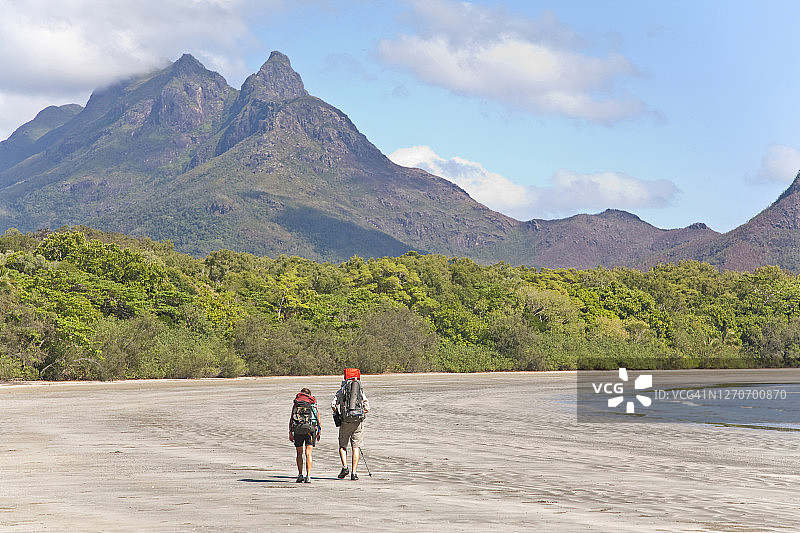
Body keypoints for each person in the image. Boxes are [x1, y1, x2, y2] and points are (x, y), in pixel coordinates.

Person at [331, 369, 370, 480]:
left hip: (345, 421)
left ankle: (345, 467)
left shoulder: (342, 390)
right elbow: (367, 408)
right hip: (358, 421)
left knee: (343, 445)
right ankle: (354, 473)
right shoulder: (360, 390)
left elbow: (333, 405)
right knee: (356, 447)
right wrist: (360, 412)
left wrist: (338, 413)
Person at [289, 387, 321, 483]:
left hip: (298, 429)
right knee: (308, 453)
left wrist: (290, 432)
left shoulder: (297, 403)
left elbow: (291, 418)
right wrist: (319, 431)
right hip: (310, 430)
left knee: (299, 453)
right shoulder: (313, 403)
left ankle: (300, 474)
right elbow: (318, 419)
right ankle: (308, 476)